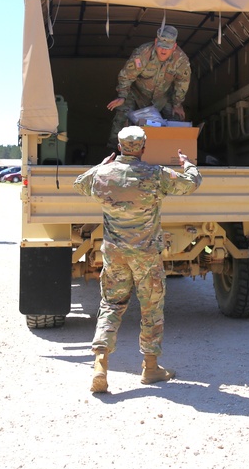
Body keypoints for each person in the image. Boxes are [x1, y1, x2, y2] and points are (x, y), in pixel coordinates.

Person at [75, 126, 202, 393]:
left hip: (115, 255)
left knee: (111, 305)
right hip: (146, 256)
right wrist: (188, 165)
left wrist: (101, 165)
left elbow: (79, 184)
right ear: (143, 147)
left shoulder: (102, 175)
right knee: (151, 308)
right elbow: (190, 184)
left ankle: (100, 365)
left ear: (119, 147)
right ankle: (151, 368)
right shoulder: (155, 175)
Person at [105, 25, 191, 147]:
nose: (164, 50)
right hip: (136, 93)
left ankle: (174, 156)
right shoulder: (143, 54)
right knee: (121, 117)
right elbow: (127, 75)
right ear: (156, 42)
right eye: (161, 46)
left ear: (174, 47)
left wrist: (177, 104)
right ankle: (114, 151)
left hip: (163, 96)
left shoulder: (181, 60)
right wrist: (122, 96)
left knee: (175, 120)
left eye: (168, 48)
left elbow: (182, 81)